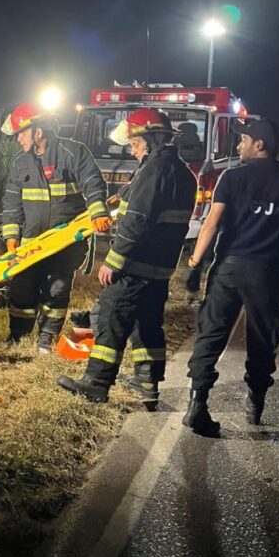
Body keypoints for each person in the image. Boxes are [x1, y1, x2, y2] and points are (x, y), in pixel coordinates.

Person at [183, 118, 279, 436]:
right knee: (262, 341)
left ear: (261, 145)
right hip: (267, 274)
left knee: (210, 335)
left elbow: (212, 223)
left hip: (229, 268)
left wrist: (194, 263)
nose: (240, 145)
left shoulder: (232, 178)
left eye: (244, 139)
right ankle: (255, 402)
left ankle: (197, 405)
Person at [57, 107, 196, 405]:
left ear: (151, 139)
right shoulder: (184, 173)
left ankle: (95, 383)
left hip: (136, 264)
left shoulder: (154, 170)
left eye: (134, 144)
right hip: (160, 267)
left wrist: (114, 260)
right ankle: (147, 382)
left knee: (111, 317)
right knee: (147, 321)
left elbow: (136, 220)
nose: (132, 151)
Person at [0, 102, 111, 354]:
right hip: (30, 244)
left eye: (22, 133)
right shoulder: (20, 164)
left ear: (38, 131)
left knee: (57, 289)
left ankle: (46, 340)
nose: (18, 139)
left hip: (65, 243)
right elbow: (11, 202)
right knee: (22, 289)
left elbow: (93, 183)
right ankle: (17, 337)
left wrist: (98, 211)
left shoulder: (73, 153)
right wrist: (11, 236)